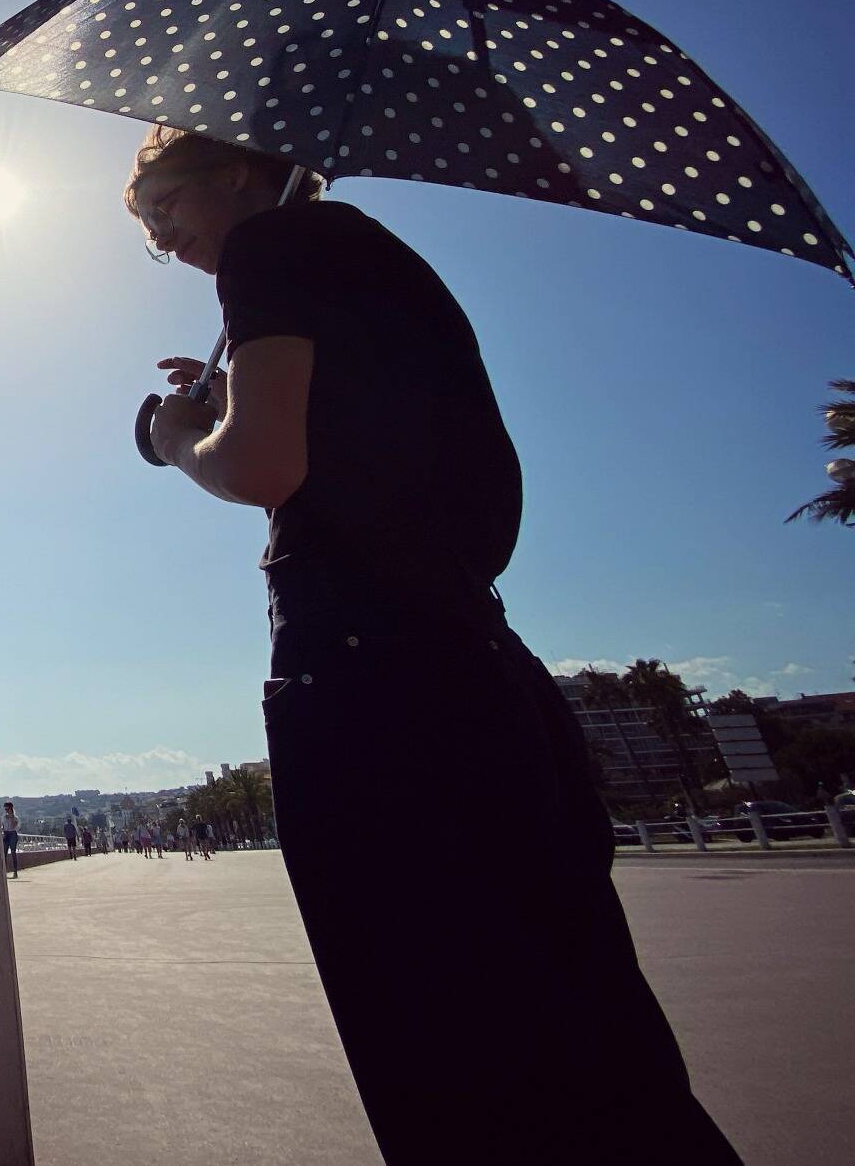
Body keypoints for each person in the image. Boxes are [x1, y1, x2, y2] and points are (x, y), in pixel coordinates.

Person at [125, 126, 740, 1166]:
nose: (162, 240)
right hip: (476, 657)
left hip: (367, 675)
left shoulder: (267, 249)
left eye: (160, 211)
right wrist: (234, 389)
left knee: (443, 1053)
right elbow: (369, 447)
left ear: (230, 170)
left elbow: (265, 466)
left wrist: (177, 437)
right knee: (591, 1036)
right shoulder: (371, 256)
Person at [1, 801, 20, 879]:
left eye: (7, 808)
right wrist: (3, 832)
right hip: (6, 834)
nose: (6, 810)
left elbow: (14, 826)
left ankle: (15, 872)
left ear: (10, 808)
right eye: (5, 809)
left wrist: (11, 817)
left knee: (13, 853)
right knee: (4, 853)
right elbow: (2, 826)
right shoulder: (4, 817)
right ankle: (4, 872)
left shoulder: (15, 818)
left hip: (12, 834)